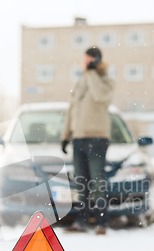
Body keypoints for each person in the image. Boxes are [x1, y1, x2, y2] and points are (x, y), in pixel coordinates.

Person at [61, 46, 114, 235]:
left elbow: (100, 96)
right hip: (79, 138)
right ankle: (82, 221)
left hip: (97, 138)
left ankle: (101, 222)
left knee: (98, 183)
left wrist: (92, 73)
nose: (83, 63)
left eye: (87, 60)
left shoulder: (106, 81)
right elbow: (71, 110)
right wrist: (65, 136)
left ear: (95, 60)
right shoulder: (81, 81)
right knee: (81, 182)